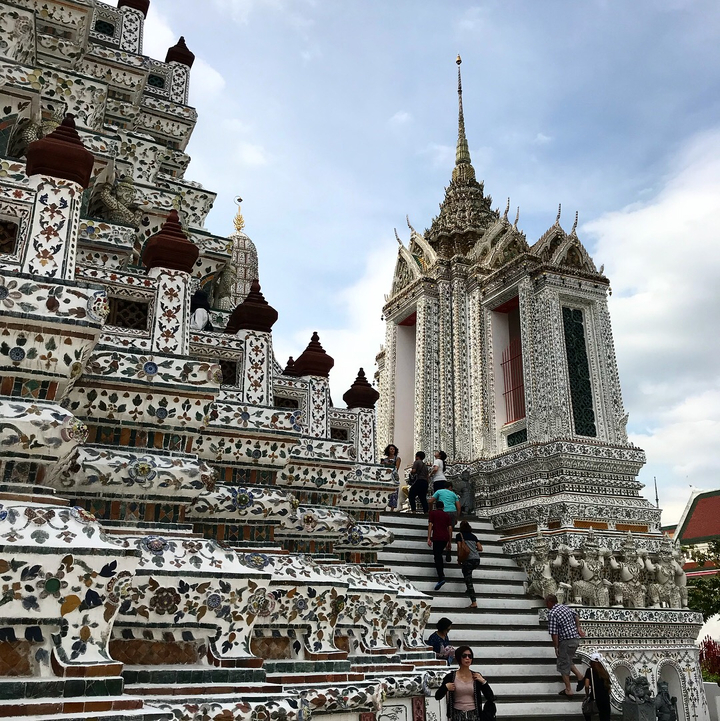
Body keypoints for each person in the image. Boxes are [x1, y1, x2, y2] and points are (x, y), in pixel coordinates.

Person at [435, 645, 496, 720]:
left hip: (474, 715)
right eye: (464, 656)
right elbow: (437, 696)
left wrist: (483, 681)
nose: (467, 658)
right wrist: (446, 687)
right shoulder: (451, 677)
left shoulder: (476, 676)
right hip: (457, 715)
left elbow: (491, 697)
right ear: (459, 658)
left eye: (470, 656)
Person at [545, 593, 586, 698]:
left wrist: (556, 647)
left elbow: (554, 633)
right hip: (575, 639)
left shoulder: (552, 613)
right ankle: (580, 676)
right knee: (567, 659)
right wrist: (578, 628)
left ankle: (568, 689)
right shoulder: (564, 607)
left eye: (546, 602)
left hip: (566, 641)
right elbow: (576, 616)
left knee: (563, 663)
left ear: (550, 602)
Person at [456, 520, 483, 608]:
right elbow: (480, 548)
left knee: (469, 581)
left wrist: (459, 559)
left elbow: (459, 548)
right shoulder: (474, 536)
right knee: (468, 573)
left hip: (468, 560)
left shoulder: (459, 536)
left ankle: (473, 602)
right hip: (476, 559)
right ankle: (468, 590)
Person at [428, 500, 453, 590]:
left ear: (436, 506)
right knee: (439, 554)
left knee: (437, 556)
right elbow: (450, 528)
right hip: (445, 537)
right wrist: (449, 542)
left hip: (437, 537)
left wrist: (428, 537)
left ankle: (441, 576)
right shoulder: (447, 515)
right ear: (443, 507)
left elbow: (430, 524)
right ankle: (441, 575)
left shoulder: (432, 513)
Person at [581, 652, 611, 721]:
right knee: (605, 716)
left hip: (595, 696)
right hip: (605, 696)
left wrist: (587, 695)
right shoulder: (604, 671)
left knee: (587, 711)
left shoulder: (590, 671)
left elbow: (586, 685)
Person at [382, 444, 401, 510]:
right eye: (391, 449)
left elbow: (397, 468)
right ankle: (383, 507)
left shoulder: (397, 459)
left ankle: (392, 509)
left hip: (393, 477)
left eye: (393, 449)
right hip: (385, 476)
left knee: (394, 492)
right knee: (385, 491)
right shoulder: (385, 460)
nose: (392, 450)